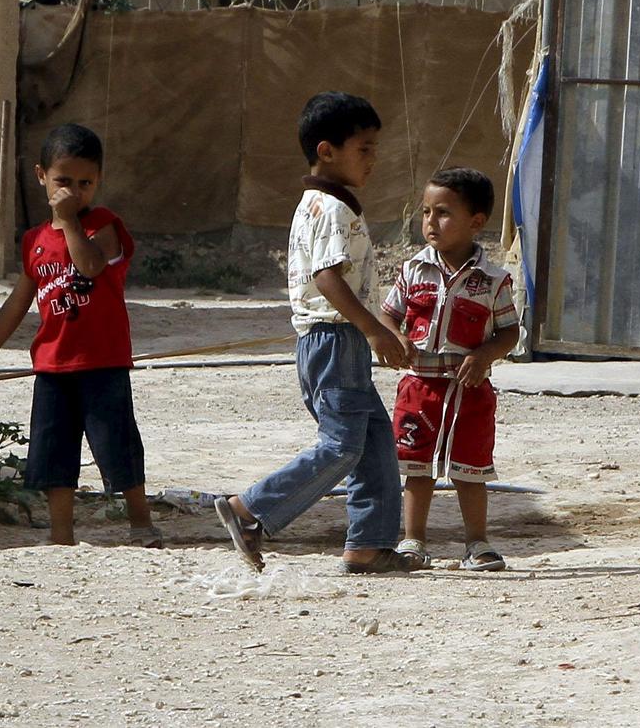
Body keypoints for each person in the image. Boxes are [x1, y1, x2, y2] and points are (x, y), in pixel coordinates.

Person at [214, 92, 419, 574]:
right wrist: (372, 331)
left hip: (334, 341)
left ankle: (368, 544)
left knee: (373, 446)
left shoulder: (324, 203)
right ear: (327, 151)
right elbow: (328, 279)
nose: (374, 159)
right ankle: (249, 510)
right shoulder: (331, 208)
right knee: (343, 445)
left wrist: (378, 327)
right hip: (335, 340)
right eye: (364, 148)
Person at [0, 123, 160, 548]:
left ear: (99, 181)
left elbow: (91, 266)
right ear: (41, 176)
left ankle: (141, 522)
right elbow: (17, 302)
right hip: (53, 363)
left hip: (102, 360)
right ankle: (61, 534)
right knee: (55, 452)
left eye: (85, 183)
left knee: (117, 444)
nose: (73, 191)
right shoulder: (34, 240)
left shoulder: (103, 225)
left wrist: (70, 220)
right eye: (63, 182)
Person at [386, 166, 524, 572]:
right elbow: (389, 316)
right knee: (417, 466)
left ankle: (477, 543)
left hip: (469, 391)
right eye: (427, 212)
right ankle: (413, 541)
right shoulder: (412, 271)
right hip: (419, 387)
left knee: (471, 469)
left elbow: (509, 331)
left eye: (443, 212)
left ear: (476, 222)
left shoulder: (494, 281)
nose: (431, 222)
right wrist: (395, 338)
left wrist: (483, 357)